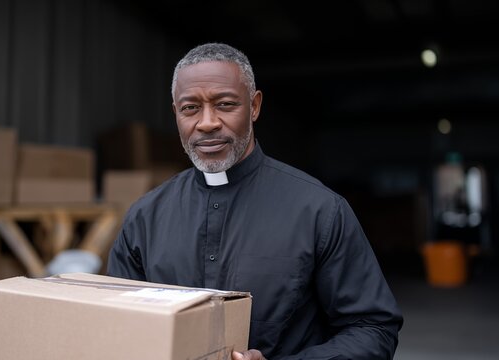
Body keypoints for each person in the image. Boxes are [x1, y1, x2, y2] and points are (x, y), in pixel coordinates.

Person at [107, 42, 403, 360]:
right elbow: (116, 326)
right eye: (190, 108)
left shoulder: (319, 210)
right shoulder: (145, 217)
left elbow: (373, 329)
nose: (207, 123)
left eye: (225, 104)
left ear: (255, 106)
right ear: (176, 113)